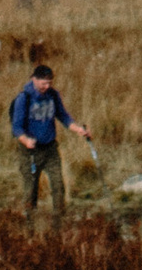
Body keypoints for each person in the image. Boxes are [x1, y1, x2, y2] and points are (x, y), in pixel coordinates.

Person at [10, 56, 92, 217]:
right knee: (30, 189)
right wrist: (26, 141)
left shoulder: (53, 95)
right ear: (34, 79)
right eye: (43, 83)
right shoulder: (24, 99)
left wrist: (78, 130)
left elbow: (63, 116)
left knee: (58, 185)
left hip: (50, 149)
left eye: (49, 83)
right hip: (30, 153)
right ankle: (29, 222)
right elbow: (16, 127)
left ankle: (58, 221)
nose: (46, 86)